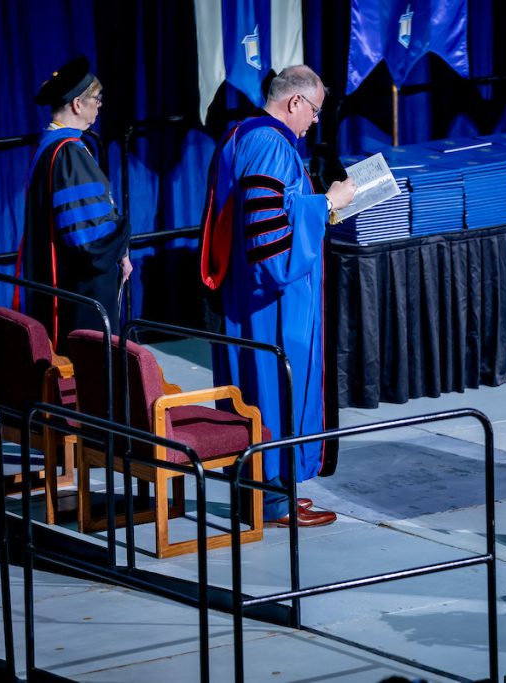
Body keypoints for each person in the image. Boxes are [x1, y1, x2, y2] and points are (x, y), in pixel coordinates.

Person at [199, 65, 356, 527]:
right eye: (314, 111)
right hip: (270, 303)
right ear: (294, 102)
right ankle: (271, 502)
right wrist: (329, 203)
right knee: (271, 392)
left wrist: (319, 213)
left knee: (263, 392)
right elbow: (268, 242)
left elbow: (274, 215)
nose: (314, 123)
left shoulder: (243, 136)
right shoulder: (269, 143)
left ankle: (272, 495)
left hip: (255, 299)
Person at [21, 56, 132, 350]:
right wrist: (122, 241)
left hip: (65, 279)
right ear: (77, 104)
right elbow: (91, 240)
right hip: (82, 287)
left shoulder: (51, 146)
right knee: (92, 365)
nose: (100, 105)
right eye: (97, 99)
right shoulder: (68, 151)